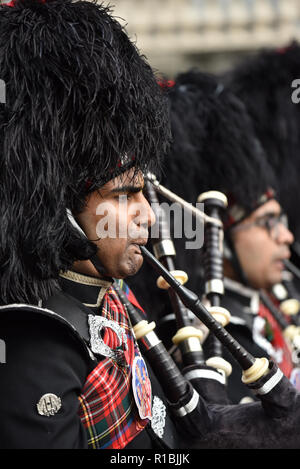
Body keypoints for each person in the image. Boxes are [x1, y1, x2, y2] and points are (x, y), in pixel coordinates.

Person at [0, 0, 183, 449]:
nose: (148, 213)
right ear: (59, 205)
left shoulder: (111, 300)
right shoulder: (34, 345)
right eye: (124, 194)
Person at [130, 70, 296, 404]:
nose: (287, 236)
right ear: (218, 239)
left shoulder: (272, 301)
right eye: (267, 222)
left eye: (282, 219)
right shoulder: (209, 335)